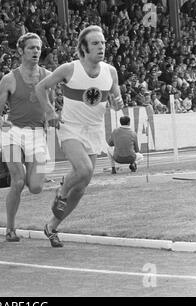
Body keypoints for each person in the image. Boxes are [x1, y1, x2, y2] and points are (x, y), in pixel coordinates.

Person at [35, 25, 124, 247]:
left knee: (83, 185)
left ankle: (52, 226)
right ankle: (62, 190)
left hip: (94, 130)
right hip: (71, 127)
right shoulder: (69, 69)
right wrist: (49, 111)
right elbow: (40, 88)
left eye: (103, 42)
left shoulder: (110, 71)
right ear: (83, 48)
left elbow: (116, 96)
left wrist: (118, 101)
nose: (101, 47)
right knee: (84, 169)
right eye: (95, 43)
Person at [0, 32, 53, 242]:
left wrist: (49, 119)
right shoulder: (9, 79)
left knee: (36, 187)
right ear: (20, 51)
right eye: (31, 48)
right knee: (18, 182)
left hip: (37, 134)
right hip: (13, 132)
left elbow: (49, 106)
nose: (36, 51)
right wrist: (0, 122)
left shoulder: (47, 76)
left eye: (38, 48)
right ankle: (10, 228)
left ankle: (21, 170)